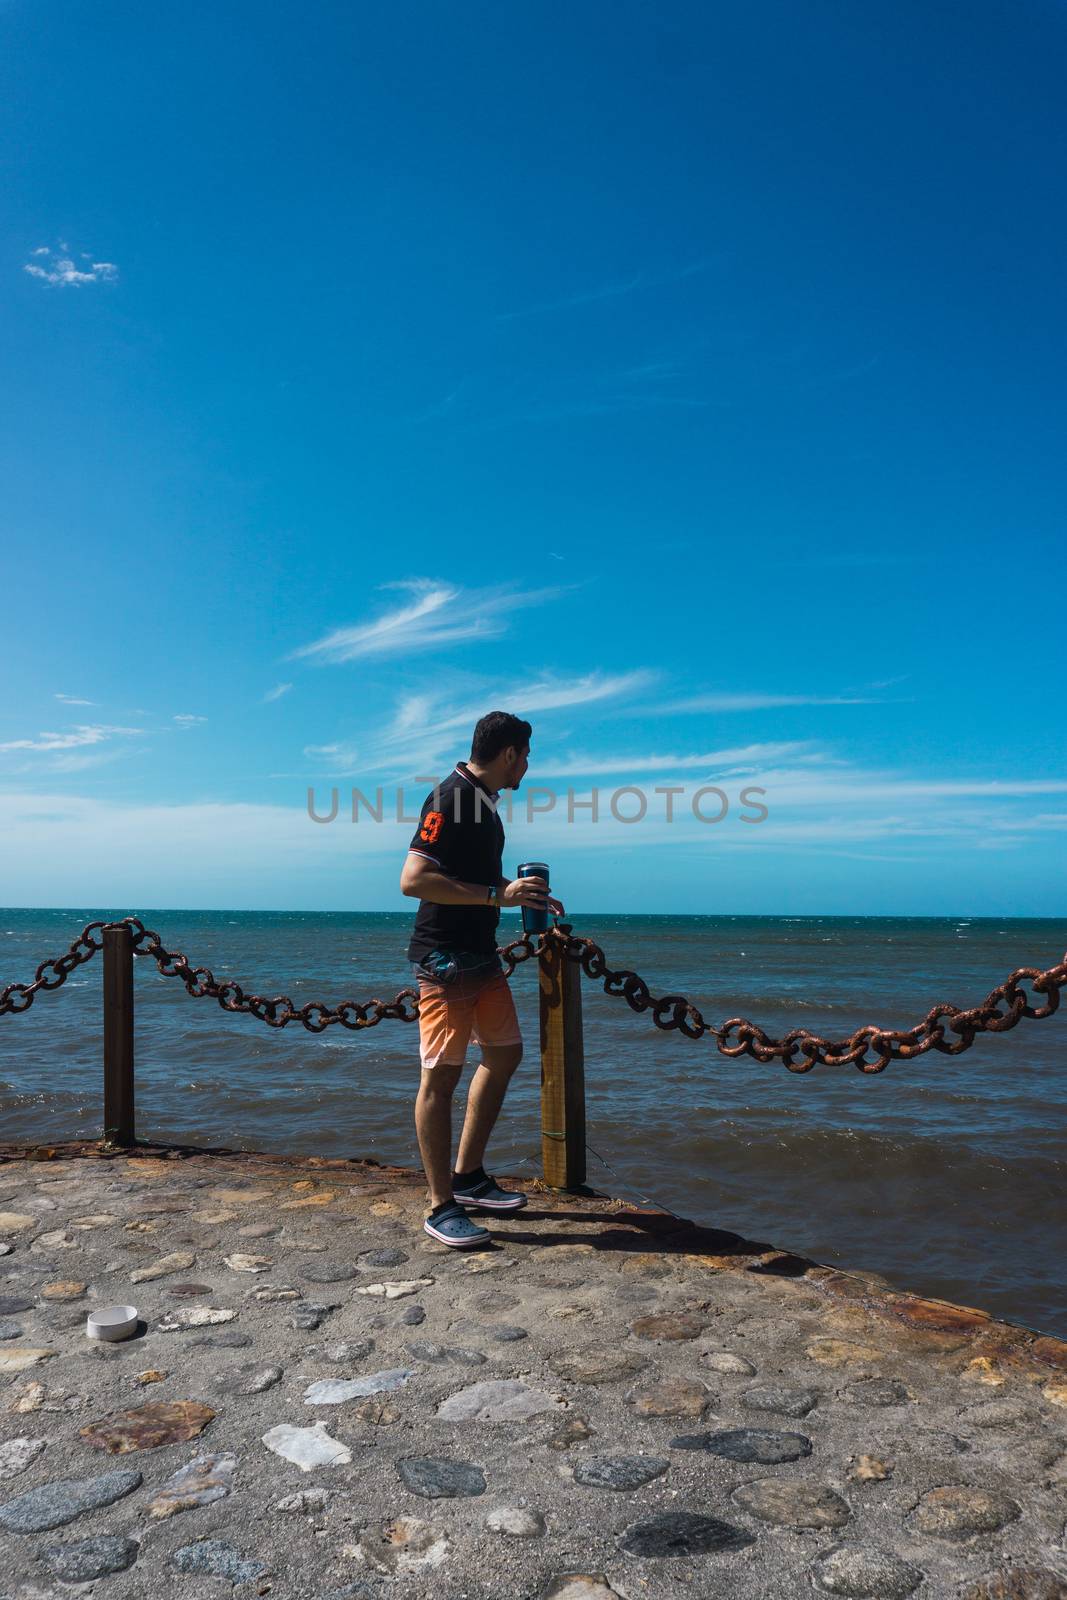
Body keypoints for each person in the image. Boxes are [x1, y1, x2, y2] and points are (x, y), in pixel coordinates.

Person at [400, 711, 564, 1248]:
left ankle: (468, 1176)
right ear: (511, 754)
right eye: (528, 755)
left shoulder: (483, 803)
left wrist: (514, 893)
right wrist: (497, 895)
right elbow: (415, 880)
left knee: (506, 1053)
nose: (529, 766)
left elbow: (465, 875)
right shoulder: (450, 799)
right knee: (439, 1080)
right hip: (444, 959)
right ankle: (439, 1205)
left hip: (480, 953)